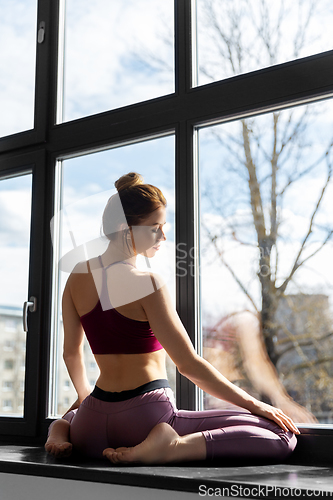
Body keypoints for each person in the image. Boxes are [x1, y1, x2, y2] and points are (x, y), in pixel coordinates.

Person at [45, 172, 299, 464]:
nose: (163, 236)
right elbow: (188, 364)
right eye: (155, 228)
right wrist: (257, 405)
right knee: (281, 435)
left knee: (73, 414)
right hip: (146, 419)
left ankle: (61, 428)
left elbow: (71, 353)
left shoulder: (77, 276)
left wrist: (82, 395)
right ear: (125, 228)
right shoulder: (148, 283)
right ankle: (172, 446)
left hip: (90, 425)